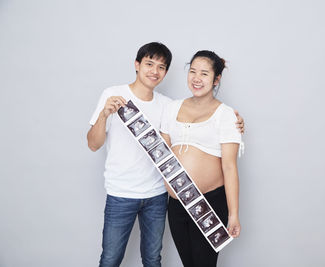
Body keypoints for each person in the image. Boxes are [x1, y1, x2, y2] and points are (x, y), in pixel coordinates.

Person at [87, 42, 244, 267]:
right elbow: (96, 144)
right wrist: (104, 115)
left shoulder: (174, 106)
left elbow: (227, 163)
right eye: (149, 64)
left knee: (156, 259)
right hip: (142, 196)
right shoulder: (123, 97)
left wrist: (236, 123)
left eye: (161, 67)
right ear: (137, 65)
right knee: (112, 258)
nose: (154, 71)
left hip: (173, 198)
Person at [160, 50, 241, 267]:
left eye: (204, 74)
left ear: (216, 79)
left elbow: (230, 167)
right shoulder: (171, 108)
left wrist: (233, 214)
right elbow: (161, 151)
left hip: (209, 202)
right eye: (193, 71)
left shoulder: (225, 115)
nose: (197, 78)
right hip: (176, 204)